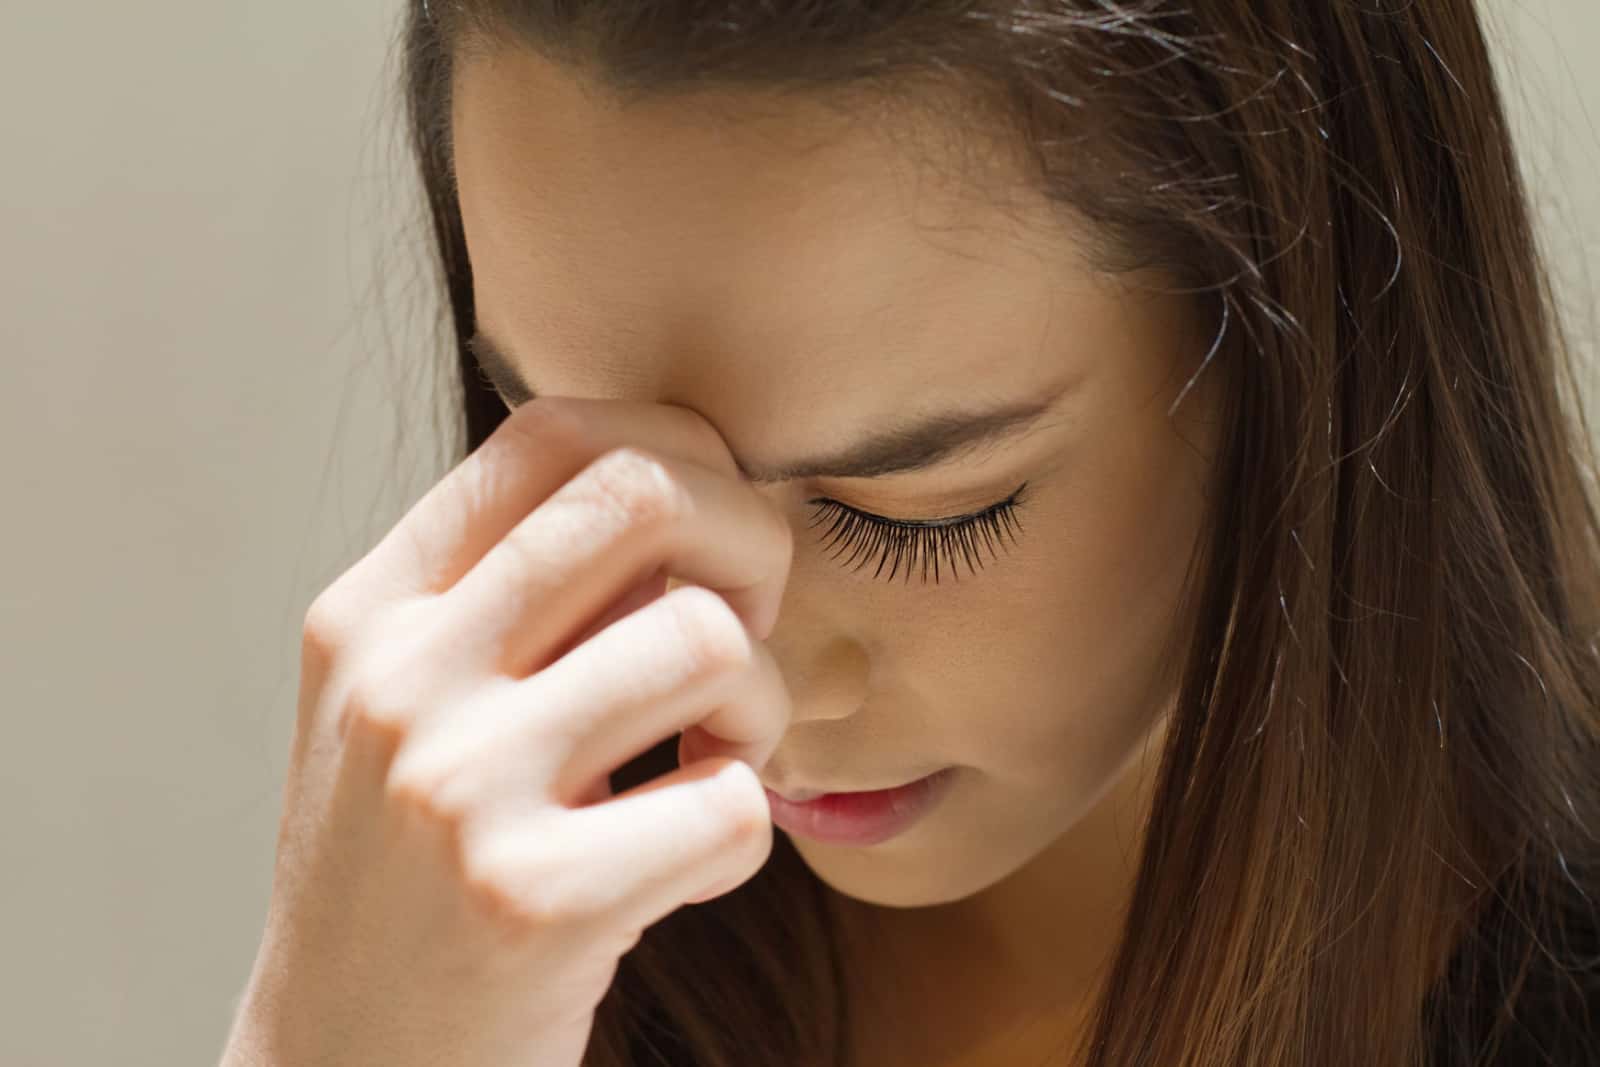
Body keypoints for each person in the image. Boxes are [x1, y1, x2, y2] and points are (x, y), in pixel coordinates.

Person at [220, 2, 1600, 1065]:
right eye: (577, 459)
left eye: (923, 512)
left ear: (1302, 343)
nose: (753, 684)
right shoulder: (472, 951)